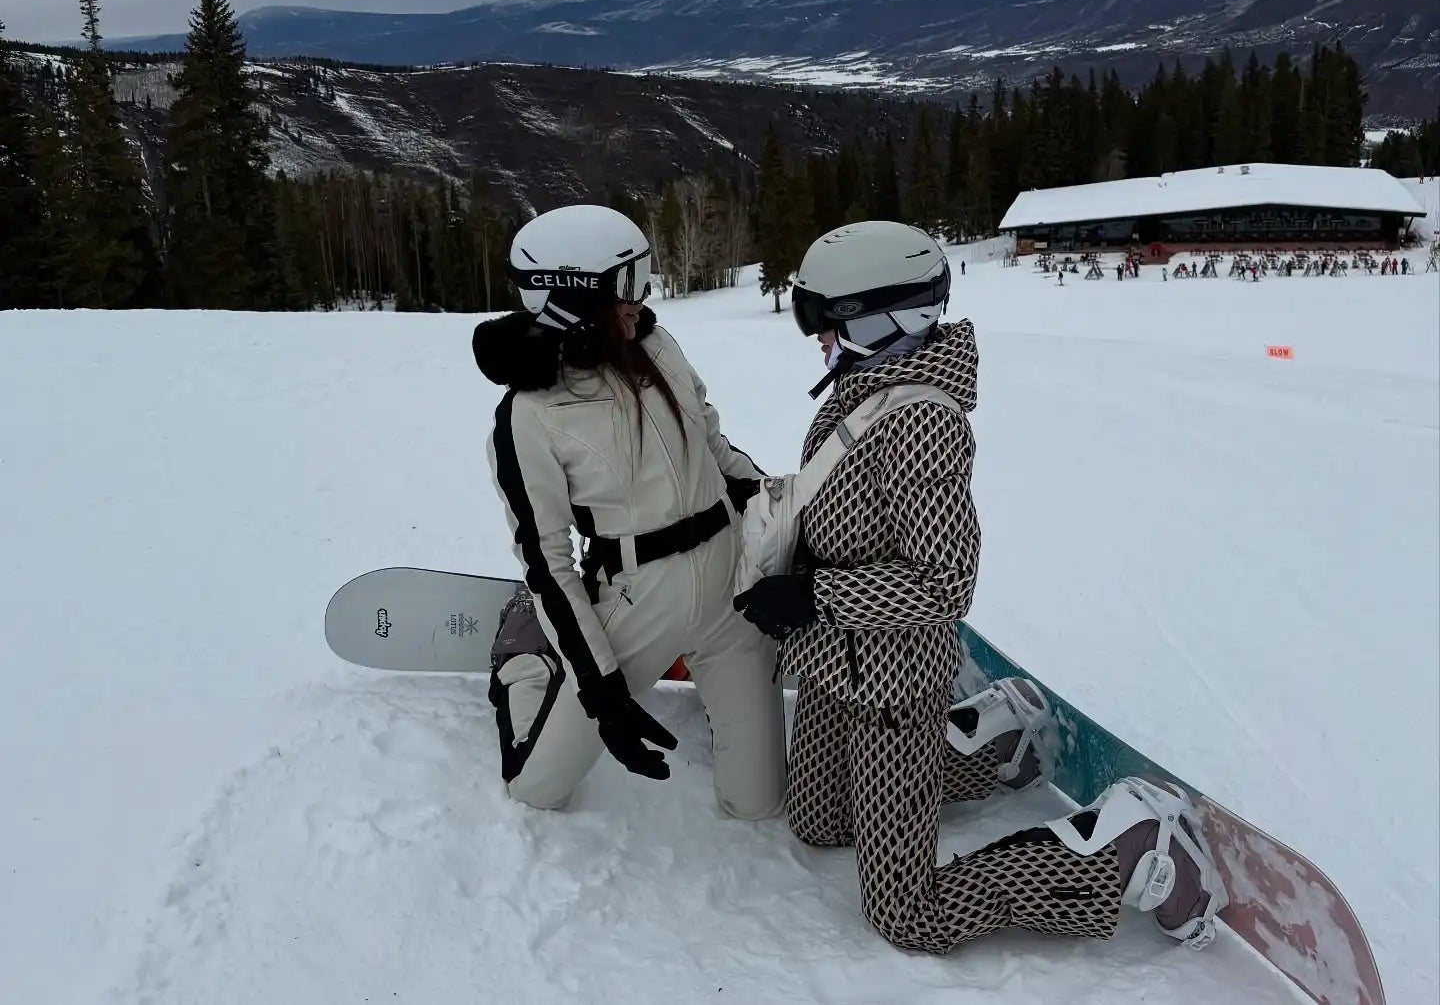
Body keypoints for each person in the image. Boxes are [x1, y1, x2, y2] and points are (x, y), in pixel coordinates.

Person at [732, 221, 1225, 956]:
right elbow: (847, 513)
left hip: (895, 682)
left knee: (907, 915)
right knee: (819, 822)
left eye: (823, 319)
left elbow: (944, 584)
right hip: (838, 662)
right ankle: (993, 742)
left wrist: (813, 598)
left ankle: (1127, 845)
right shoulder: (859, 390)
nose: (816, 337)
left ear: (882, 317)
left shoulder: (922, 421)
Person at [473, 204, 785, 818]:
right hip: (640, 599)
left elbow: (714, 447)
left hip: (729, 585)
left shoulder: (655, 344)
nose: (642, 299)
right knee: (537, 789)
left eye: (643, 278)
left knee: (757, 804)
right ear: (571, 298)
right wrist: (601, 688)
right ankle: (528, 663)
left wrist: (787, 514)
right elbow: (548, 559)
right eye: (626, 287)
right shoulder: (528, 416)